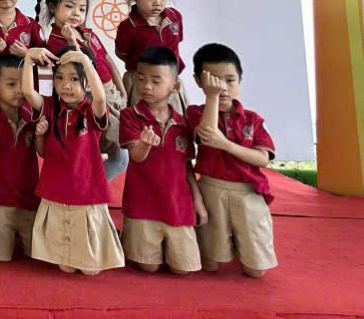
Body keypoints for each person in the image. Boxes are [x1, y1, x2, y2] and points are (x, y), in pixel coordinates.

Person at [21, 45, 124, 276]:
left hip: (87, 194)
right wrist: (28, 58)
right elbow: (28, 92)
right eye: (59, 77)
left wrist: (86, 63)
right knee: (66, 267)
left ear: (86, 81)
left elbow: (100, 97)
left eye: (74, 79)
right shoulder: (50, 107)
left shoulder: (91, 110)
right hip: (57, 192)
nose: (65, 85)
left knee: (90, 271)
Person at [188, 43, 277, 278]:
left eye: (229, 80)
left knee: (256, 271)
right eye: (214, 81)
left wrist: (226, 145)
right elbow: (207, 137)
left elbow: (262, 159)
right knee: (210, 264)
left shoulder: (253, 119)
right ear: (199, 81)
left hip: (247, 192)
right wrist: (212, 97)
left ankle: (242, 247)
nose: (223, 88)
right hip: (211, 189)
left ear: (240, 80)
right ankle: (225, 247)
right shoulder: (196, 112)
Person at [120, 46, 205, 274]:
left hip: (178, 205)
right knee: (149, 267)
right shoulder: (130, 115)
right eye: (141, 79)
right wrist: (145, 144)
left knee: (183, 270)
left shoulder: (182, 122)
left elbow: (187, 166)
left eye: (156, 81)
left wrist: (197, 200)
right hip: (142, 203)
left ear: (174, 86)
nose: (147, 86)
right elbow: (135, 156)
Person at [37, 0, 128, 179]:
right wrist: (71, 41)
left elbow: (108, 60)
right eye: (69, 7)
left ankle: (87, 188)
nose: (76, 13)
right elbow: (81, 69)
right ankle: (88, 188)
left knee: (120, 153)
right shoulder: (55, 42)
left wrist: (122, 92)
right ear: (53, 7)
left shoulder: (87, 33)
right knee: (120, 156)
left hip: (111, 94)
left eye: (82, 9)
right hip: (90, 99)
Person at [0, 54, 39, 262]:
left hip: (29, 199)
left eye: (23, 83)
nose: (19, 90)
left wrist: (41, 135)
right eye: (11, 84)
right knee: (0, 256)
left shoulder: (32, 116)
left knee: (36, 255)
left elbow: (42, 152)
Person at [115, 0, 187, 111]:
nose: (158, 3)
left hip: (170, 83)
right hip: (142, 85)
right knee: (142, 121)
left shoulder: (175, 17)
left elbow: (177, 40)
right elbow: (123, 53)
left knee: (174, 121)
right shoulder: (128, 27)